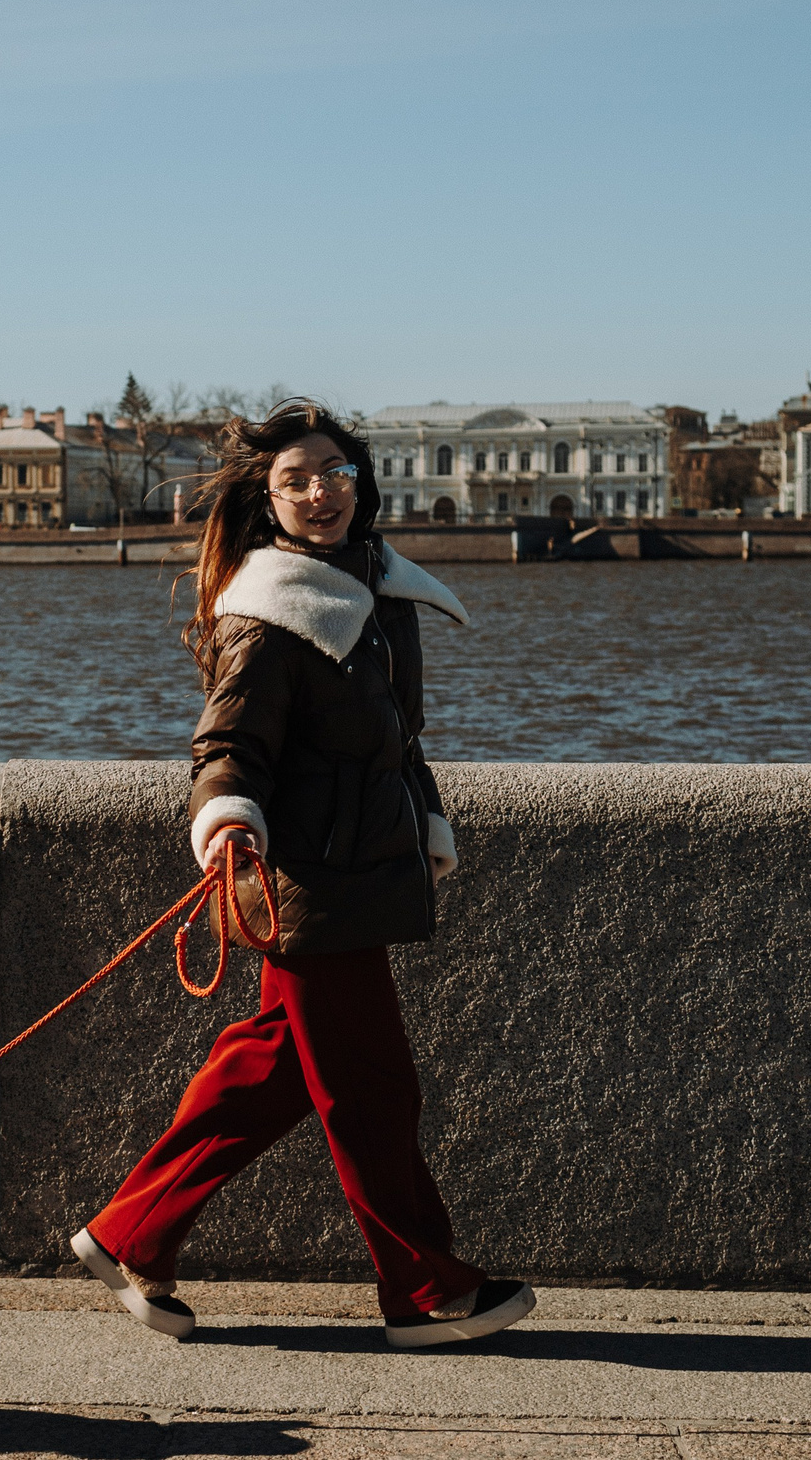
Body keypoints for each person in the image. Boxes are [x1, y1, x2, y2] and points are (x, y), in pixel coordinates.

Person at [69, 399, 534, 1349]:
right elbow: (228, 741)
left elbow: (394, 739)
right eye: (295, 480)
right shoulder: (271, 611)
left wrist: (425, 819)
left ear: (361, 483)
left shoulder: (369, 585)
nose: (320, 493)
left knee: (267, 1073)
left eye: (335, 473)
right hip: (313, 883)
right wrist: (226, 815)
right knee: (371, 1091)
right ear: (266, 499)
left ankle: (129, 1233)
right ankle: (425, 1289)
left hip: (363, 864)